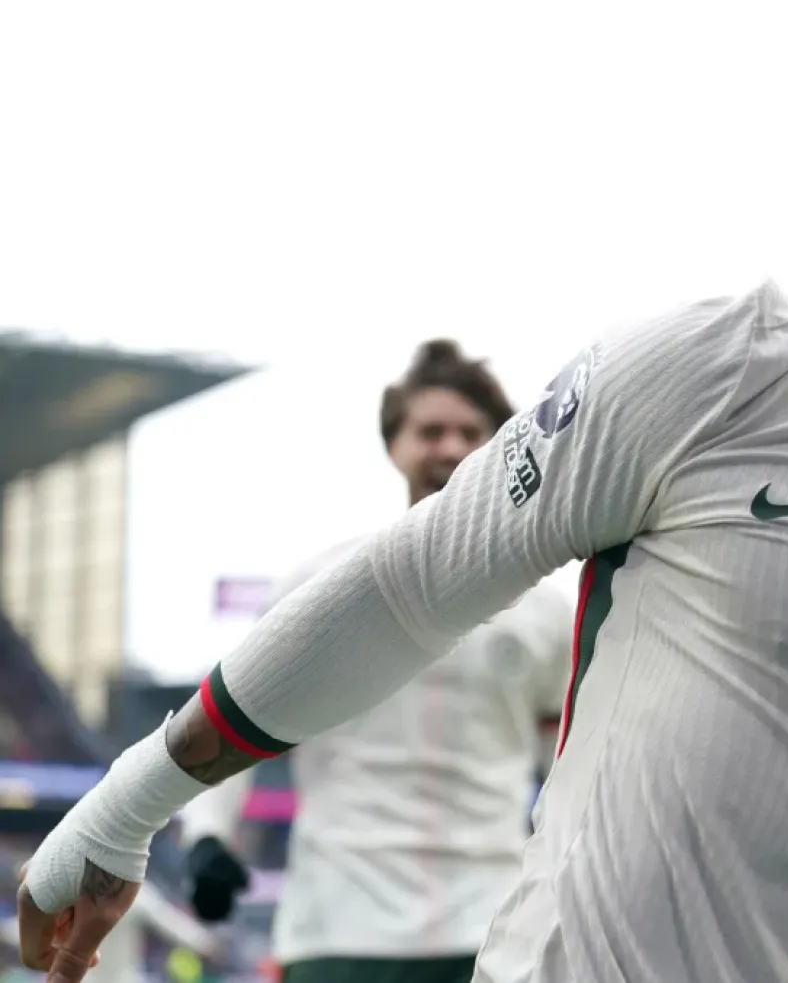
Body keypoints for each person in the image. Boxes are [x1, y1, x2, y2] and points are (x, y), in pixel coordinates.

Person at [18, 0, 788, 983]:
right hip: (360, 938)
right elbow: (406, 586)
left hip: (459, 911)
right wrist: (129, 805)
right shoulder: (729, 370)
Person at [159, 341, 576, 983]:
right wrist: (207, 836)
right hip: (336, 931)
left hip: (493, 929)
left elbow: (575, 763)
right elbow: (229, 722)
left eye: (470, 431)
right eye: (429, 430)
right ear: (394, 445)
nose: (448, 447)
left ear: (502, 447)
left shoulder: (546, 610)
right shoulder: (320, 587)